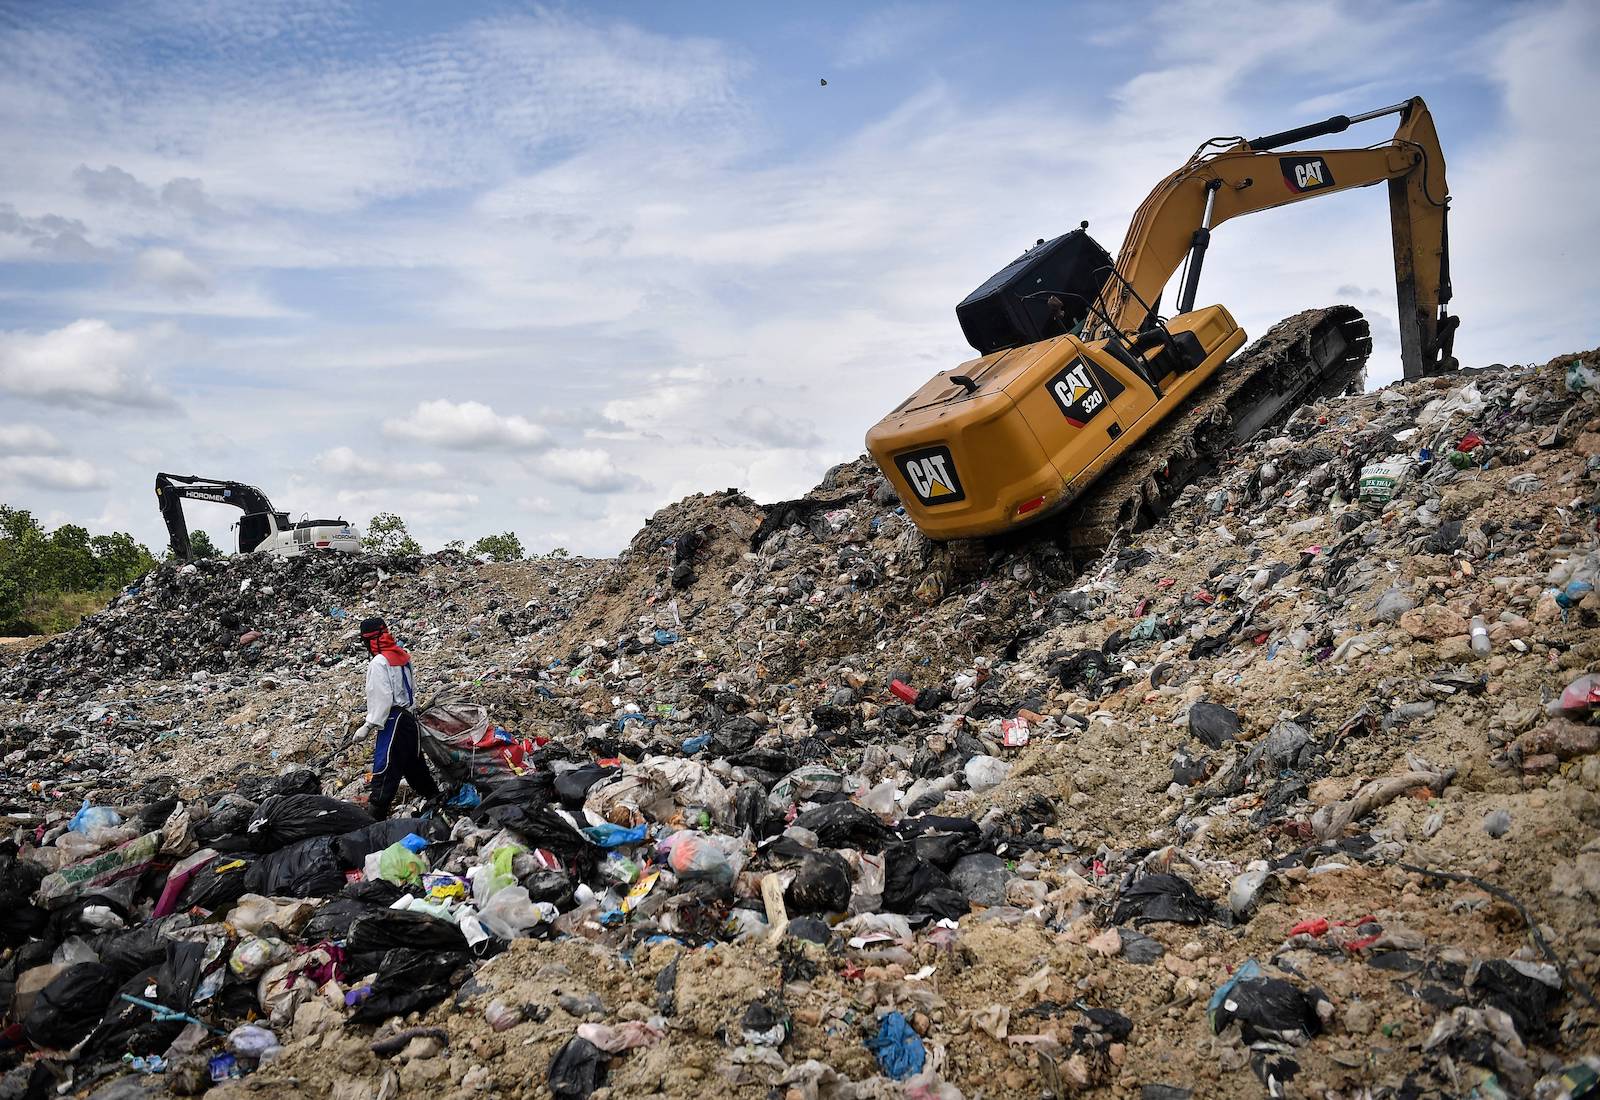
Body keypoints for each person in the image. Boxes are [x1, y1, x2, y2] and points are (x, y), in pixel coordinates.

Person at [358, 616, 440, 819]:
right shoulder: (403, 657)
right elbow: (411, 689)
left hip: (393, 721)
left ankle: (373, 821)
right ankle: (437, 802)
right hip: (410, 720)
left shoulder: (379, 663)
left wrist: (368, 725)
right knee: (414, 767)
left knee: (385, 770)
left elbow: (383, 697)